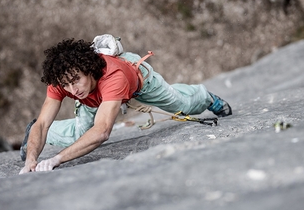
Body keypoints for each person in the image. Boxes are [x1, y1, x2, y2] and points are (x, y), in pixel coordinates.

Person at [19, 35, 232, 174]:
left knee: (182, 104)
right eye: (66, 85)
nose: (73, 90)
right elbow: (43, 124)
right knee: (78, 136)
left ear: (88, 69)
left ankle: (206, 97)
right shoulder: (63, 79)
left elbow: (102, 131)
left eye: (76, 80)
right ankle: (29, 137)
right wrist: (32, 157)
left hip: (139, 82)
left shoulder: (113, 76)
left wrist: (57, 159)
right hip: (94, 98)